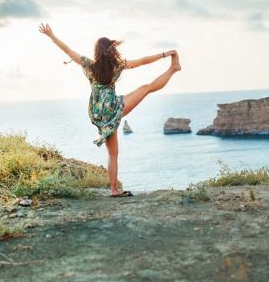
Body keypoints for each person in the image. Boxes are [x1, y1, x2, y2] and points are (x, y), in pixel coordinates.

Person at [38, 23, 181, 197]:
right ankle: (173, 69)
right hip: (114, 109)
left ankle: (114, 190)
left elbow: (67, 50)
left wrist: (51, 36)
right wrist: (164, 54)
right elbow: (142, 61)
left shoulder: (88, 65)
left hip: (98, 114)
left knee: (113, 154)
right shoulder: (116, 66)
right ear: (110, 51)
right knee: (146, 88)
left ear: (96, 51)